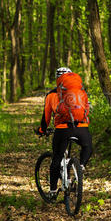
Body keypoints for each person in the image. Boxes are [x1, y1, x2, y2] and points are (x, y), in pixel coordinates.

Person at [36, 67, 93, 201]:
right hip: (82, 127)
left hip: (62, 129)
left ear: (58, 79)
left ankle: (53, 191)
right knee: (87, 147)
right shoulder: (81, 91)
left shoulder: (51, 95)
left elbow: (46, 117)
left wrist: (42, 130)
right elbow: (87, 109)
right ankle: (81, 167)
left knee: (56, 160)